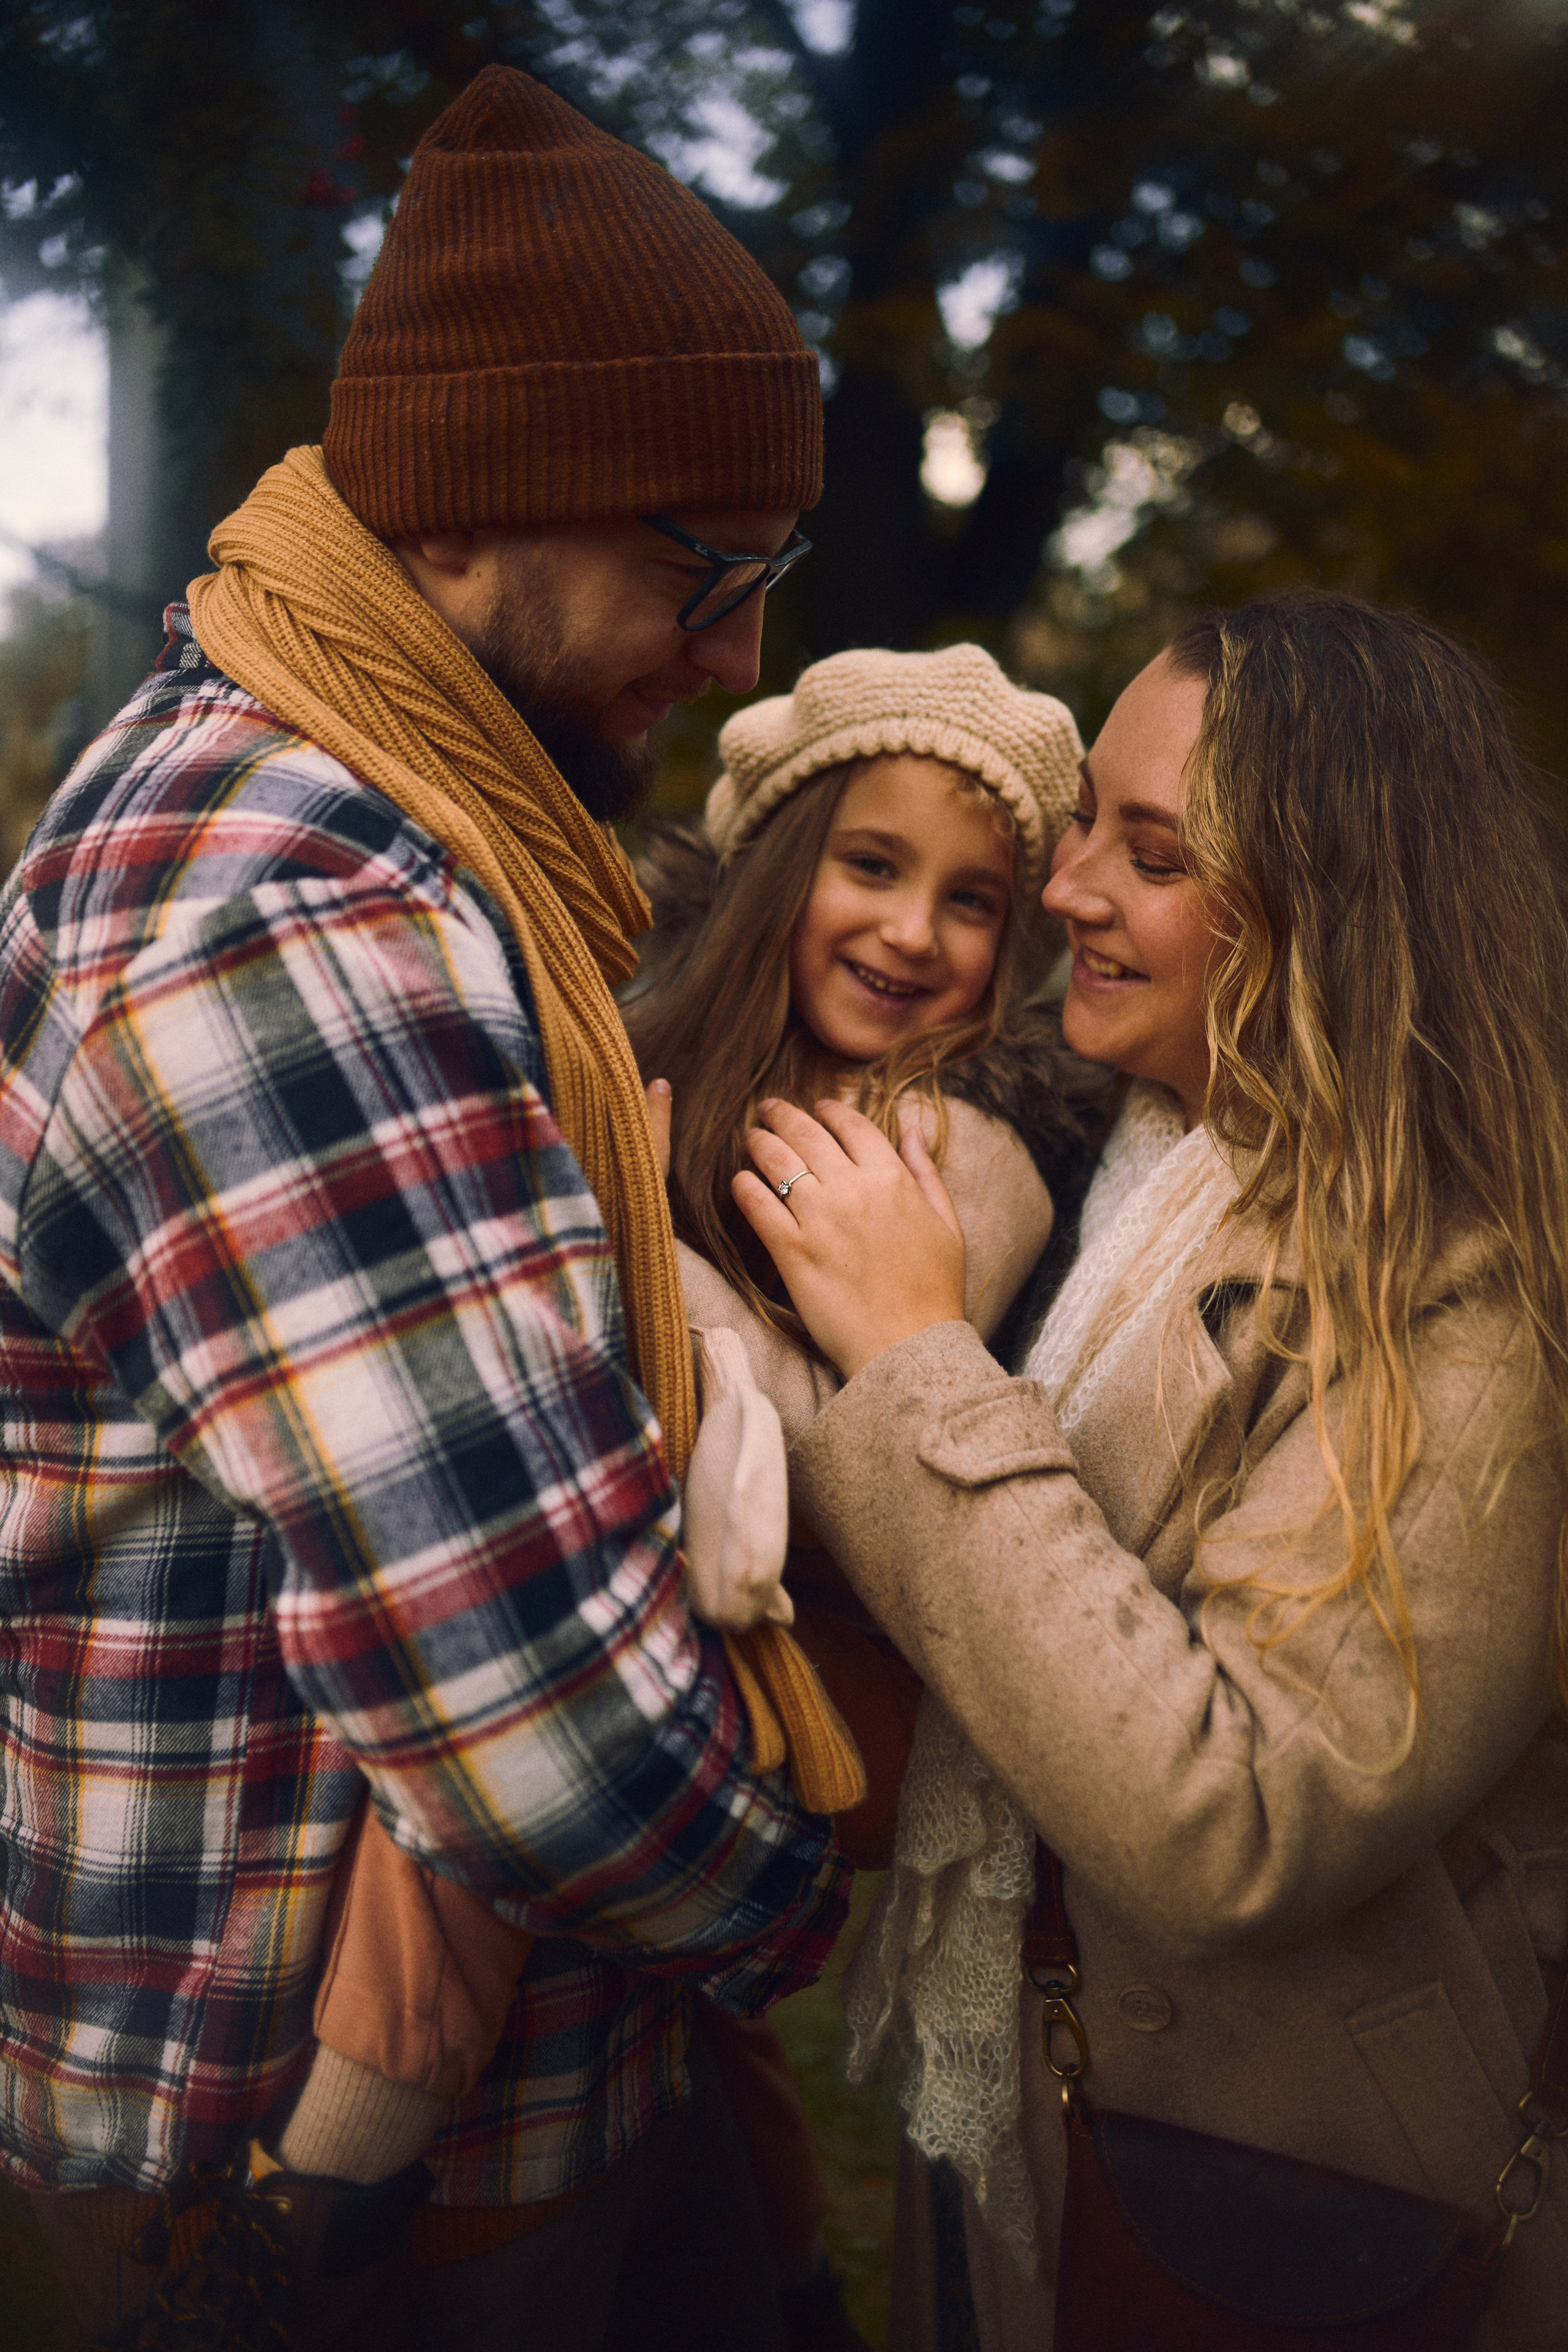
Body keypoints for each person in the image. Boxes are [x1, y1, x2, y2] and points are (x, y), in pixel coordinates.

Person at [0, 62, 856, 2352]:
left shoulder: (415, 834)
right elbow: (544, 1734)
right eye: (708, 566)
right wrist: (823, 1894)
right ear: (488, 508)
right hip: (300, 2183)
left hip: (478, 2088)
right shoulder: (286, 914)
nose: (742, 653)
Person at [730, 593, 1568, 2350]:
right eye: (1089, 821)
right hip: (1029, 2115)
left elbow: (1236, 1824)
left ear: (1329, 903)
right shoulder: (1131, 1144)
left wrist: (916, 1360)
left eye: (1154, 851)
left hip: (1283, 2199)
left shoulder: (1470, 1305)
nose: (1065, 890)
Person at [290, 642, 1109, 2345]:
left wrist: (633, 1258)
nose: (911, 933)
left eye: (973, 904)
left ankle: (340, 2159)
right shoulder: (659, 1063)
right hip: (721, 1583)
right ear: (776, 869)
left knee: (506, 1711)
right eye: (871, 866)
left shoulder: (970, 1134)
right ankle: (787, 2273)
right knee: (648, 1985)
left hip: (849, 1649)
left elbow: (860, 1425)